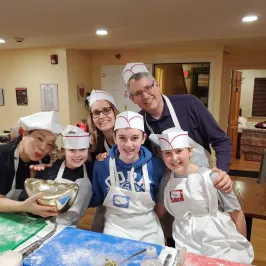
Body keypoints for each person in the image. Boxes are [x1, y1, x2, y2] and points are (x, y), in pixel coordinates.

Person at [122, 63, 233, 246]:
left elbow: (221, 140)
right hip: (171, 189)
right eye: (138, 93)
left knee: (212, 235)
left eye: (148, 87)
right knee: (177, 238)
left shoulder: (189, 104)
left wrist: (222, 172)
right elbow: (132, 150)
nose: (146, 96)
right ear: (132, 99)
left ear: (156, 84)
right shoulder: (139, 122)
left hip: (205, 184)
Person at [155, 128, 254, 263]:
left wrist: (242, 244)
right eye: (167, 153)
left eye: (179, 151)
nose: (174, 158)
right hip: (185, 243)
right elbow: (159, 211)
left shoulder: (213, 177)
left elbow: (237, 214)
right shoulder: (167, 181)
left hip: (220, 241)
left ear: (190, 151)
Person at [90, 111, 165, 245]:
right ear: (114, 137)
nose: (128, 145)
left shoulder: (156, 165)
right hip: (115, 227)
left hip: (148, 229)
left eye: (135, 138)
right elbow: (95, 197)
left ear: (143, 138)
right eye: (122, 138)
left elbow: (161, 200)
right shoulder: (102, 165)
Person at [0, 111, 63, 217]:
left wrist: (41, 177)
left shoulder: (42, 161)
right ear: (25, 134)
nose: (43, 148)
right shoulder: (2, 156)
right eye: (39, 138)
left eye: (50, 144)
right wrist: (24, 206)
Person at [28, 125, 93, 225]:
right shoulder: (51, 171)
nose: (78, 155)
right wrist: (33, 176)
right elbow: (32, 205)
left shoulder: (91, 168)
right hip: (48, 224)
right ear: (63, 151)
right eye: (72, 150)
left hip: (74, 226)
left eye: (82, 149)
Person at [86, 89, 120, 232]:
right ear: (92, 118)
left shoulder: (130, 135)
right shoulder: (95, 145)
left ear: (114, 112)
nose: (102, 116)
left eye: (106, 110)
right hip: (107, 203)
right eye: (96, 113)